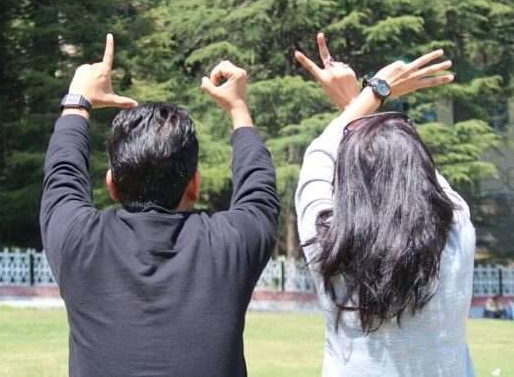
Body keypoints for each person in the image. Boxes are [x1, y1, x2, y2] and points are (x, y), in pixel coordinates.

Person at [40, 34, 280, 376]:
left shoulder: (77, 241)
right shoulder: (232, 244)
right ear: (194, 185)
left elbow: (62, 172)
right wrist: (239, 108)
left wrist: (77, 102)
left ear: (112, 185)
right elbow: (259, 189)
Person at [295, 33, 474, 376]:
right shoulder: (458, 234)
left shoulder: (327, 248)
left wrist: (372, 93)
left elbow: (319, 153)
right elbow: (426, 180)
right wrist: (366, 97)